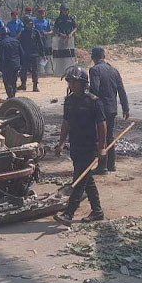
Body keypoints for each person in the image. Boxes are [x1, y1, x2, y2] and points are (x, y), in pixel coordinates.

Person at [53, 66, 107, 225]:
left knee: (78, 181)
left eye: (73, 81)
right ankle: (97, 211)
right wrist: (61, 142)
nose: (70, 84)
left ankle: (68, 214)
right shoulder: (69, 101)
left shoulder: (93, 101)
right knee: (86, 179)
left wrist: (102, 147)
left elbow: (102, 125)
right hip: (75, 146)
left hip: (89, 147)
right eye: (69, 81)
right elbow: (66, 122)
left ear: (82, 83)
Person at [88, 47, 128, 174]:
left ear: (93, 58)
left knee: (101, 137)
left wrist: (87, 91)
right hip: (112, 108)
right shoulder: (114, 70)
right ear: (104, 56)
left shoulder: (94, 70)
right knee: (109, 137)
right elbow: (121, 90)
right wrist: (125, 108)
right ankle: (111, 165)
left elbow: (95, 88)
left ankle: (102, 166)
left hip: (100, 108)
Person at [18, 16, 45, 92]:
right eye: (29, 23)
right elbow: (20, 44)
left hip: (34, 54)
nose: (31, 25)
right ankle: (23, 84)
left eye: (31, 23)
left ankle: (35, 86)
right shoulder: (23, 33)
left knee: (35, 71)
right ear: (26, 24)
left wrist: (43, 54)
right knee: (23, 70)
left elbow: (40, 44)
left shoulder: (36, 32)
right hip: (25, 54)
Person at [0, 27, 24, 99]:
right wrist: (21, 64)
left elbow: (1, 57)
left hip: (7, 66)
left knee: (7, 82)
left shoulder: (2, 43)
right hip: (16, 64)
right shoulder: (16, 41)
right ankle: (13, 96)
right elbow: (22, 53)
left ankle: (10, 97)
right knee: (14, 81)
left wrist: (0, 68)